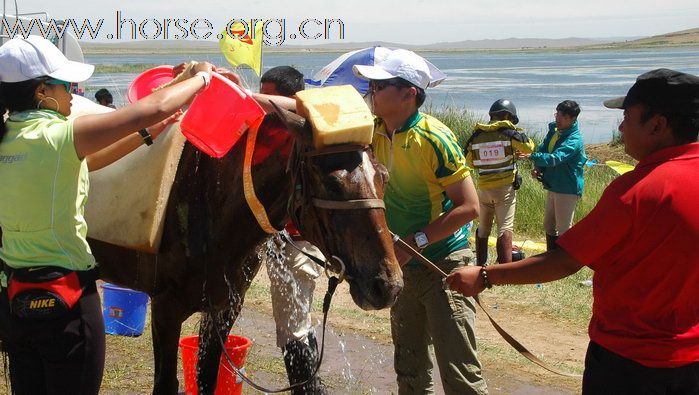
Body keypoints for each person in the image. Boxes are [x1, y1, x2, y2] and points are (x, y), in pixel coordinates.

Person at [446, 68, 699, 395]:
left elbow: (564, 262)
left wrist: (484, 276)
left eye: (627, 118)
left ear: (658, 125)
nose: (620, 128)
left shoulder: (637, 190)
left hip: (629, 363)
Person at [0, 35, 213, 394]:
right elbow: (154, 106)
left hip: (13, 302)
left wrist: (149, 134)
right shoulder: (60, 136)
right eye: (67, 84)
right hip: (64, 303)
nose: (74, 91)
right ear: (41, 92)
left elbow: (89, 162)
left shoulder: (12, 138)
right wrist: (202, 78)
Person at [354, 49, 487, 395]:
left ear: (408, 93)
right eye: (370, 84)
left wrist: (415, 243)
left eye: (380, 85)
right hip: (402, 264)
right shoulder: (371, 133)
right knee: (409, 370)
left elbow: (470, 207)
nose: (371, 91)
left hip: (444, 263)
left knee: (460, 374)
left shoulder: (435, 138)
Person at [259, 65, 327, 394]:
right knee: (294, 322)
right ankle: (310, 388)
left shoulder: (307, 128)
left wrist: (250, 98)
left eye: (269, 93)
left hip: (299, 244)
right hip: (279, 241)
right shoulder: (270, 129)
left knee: (293, 327)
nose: (263, 103)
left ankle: (307, 391)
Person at [465, 99, 534, 265]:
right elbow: (529, 147)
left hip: (483, 188)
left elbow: (469, 162)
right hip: (504, 189)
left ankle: (481, 265)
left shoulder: (476, 136)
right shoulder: (508, 133)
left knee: (483, 227)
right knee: (505, 227)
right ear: (506, 116)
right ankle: (505, 268)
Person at [521, 100, 586, 250]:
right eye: (557, 113)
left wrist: (532, 156)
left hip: (567, 188)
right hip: (553, 185)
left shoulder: (574, 140)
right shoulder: (555, 131)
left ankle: (564, 262)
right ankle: (551, 258)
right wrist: (538, 167)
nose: (558, 118)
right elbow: (544, 149)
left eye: (563, 116)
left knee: (564, 229)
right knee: (549, 225)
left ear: (573, 119)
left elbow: (555, 158)